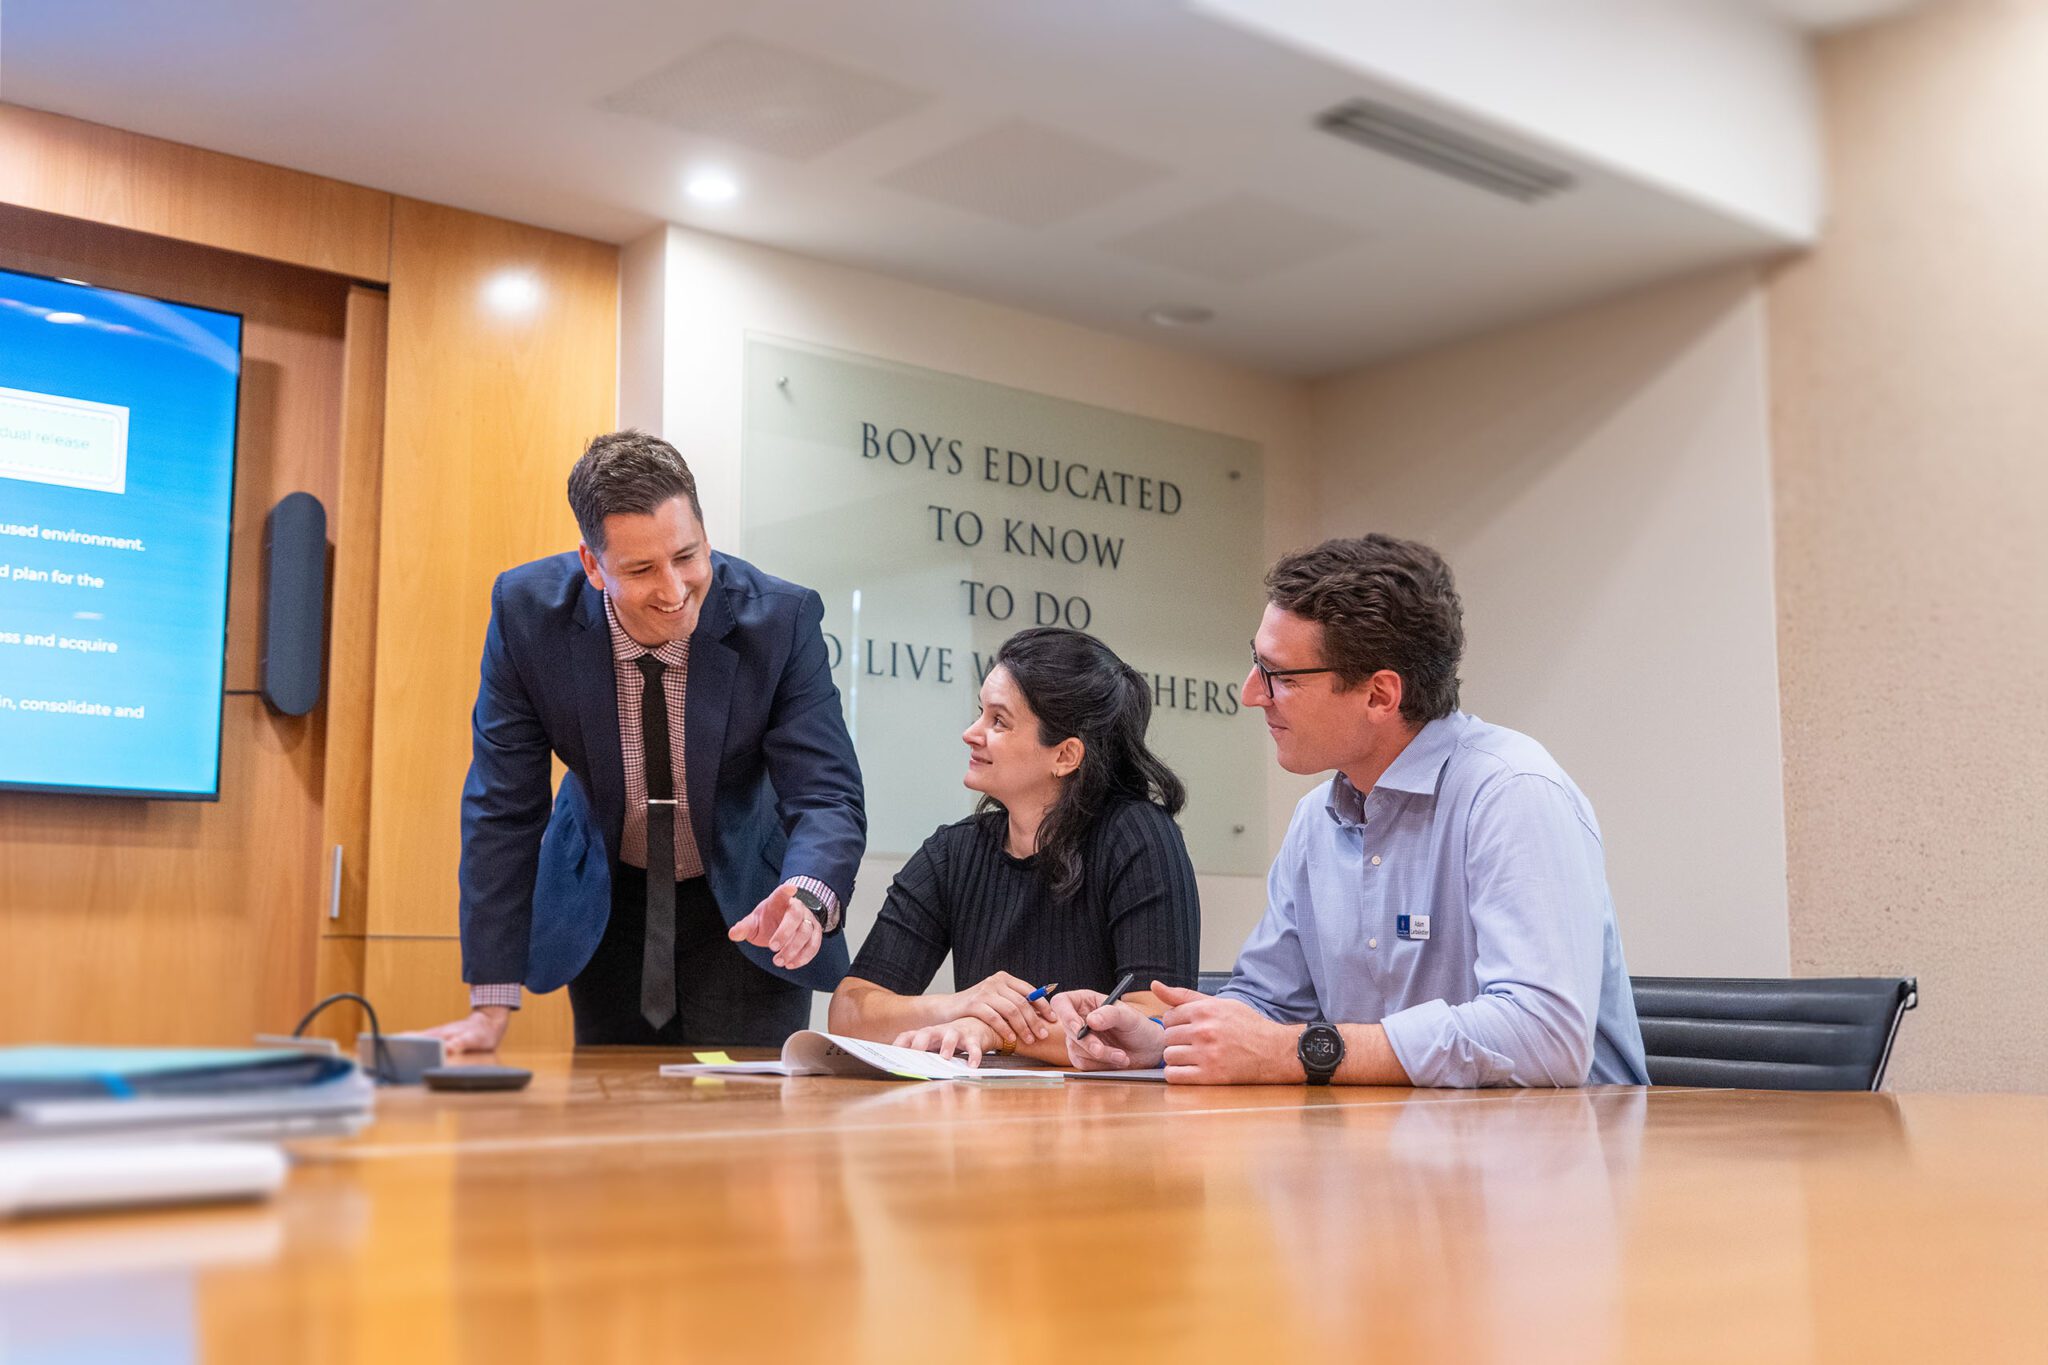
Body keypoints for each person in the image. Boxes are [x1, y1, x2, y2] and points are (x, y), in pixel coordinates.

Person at [1056, 534, 1649, 1087]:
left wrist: (1296, 1052)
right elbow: (1268, 1003)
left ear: (1379, 695)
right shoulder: (1319, 817)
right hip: (1394, 1155)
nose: (1250, 693)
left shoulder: (1513, 792)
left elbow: (1545, 1036)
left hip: (1560, 1164)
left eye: (1279, 675)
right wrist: (1162, 1040)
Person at [423, 430, 865, 1051]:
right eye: (640, 569)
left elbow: (825, 794)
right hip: (606, 903)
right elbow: (504, 806)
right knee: (610, 1125)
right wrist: (490, 1001)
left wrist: (811, 895)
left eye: (688, 556)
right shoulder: (529, 617)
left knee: (743, 1126)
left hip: (747, 906)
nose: (675, 589)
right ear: (592, 565)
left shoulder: (781, 621)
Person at [829, 627, 1199, 1067]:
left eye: (998, 721)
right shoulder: (954, 851)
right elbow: (849, 1011)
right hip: (984, 1114)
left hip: (1109, 1119)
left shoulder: (1139, 837)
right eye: (979, 713)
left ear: (1065, 756)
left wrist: (996, 1032)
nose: (971, 732)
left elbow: (1152, 1022)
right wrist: (960, 1005)